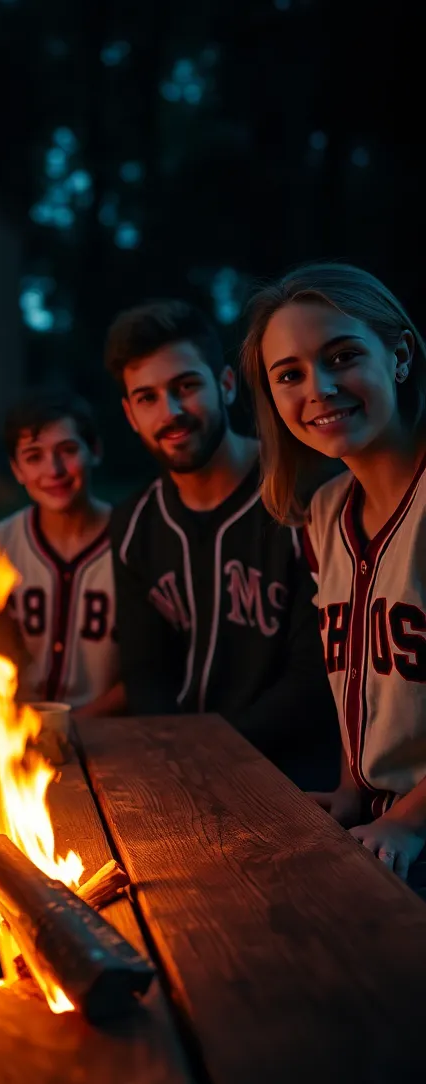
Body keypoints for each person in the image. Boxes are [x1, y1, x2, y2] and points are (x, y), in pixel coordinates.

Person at [104, 298, 339, 787]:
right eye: (146, 398)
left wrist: (205, 754)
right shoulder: (134, 523)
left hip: (296, 777)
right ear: (129, 414)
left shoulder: (305, 498)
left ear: (226, 385)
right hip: (177, 765)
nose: (169, 412)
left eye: (185, 386)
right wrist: (177, 756)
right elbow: (145, 671)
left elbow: (313, 681)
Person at [241, 261, 426, 883]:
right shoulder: (326, 510)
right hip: (380, 828)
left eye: (343, 356)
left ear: (399, 355)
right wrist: (351, 789)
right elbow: (359, 680)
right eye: (288, 374)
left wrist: (408, 822)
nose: (317, 387)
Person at [0, 390, 123, 718]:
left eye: (67, 450)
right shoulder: (0, 544)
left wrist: (75, 723)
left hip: (110, 731)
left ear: (94, 450)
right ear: (17, 469)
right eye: (34, 456)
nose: (53, 469)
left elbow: (149, 672)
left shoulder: (130, 540)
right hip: (14, 732)